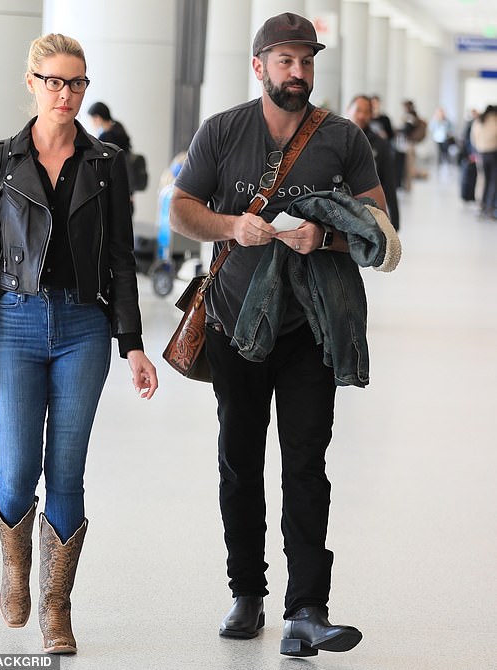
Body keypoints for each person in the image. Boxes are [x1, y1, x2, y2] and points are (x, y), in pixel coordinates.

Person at [170, 12, 398, 658]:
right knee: (239, 463)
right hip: (233, 324)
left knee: (306, 464)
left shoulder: (342, 138)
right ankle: (247, 593)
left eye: (306, 62)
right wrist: (229, 228)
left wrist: (324, 236)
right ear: (259, 65)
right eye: (285, 61)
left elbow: (380, 226)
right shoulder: (223, 132)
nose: (297, 73)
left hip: (309, 330)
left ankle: (307, 608)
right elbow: (183, 208)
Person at [0, 33, 158, 654]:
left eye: (76, 83)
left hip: (84, 329)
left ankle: (56, 607)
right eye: (54, 81)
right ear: (32, 82)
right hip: (14, 322)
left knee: (66, 473)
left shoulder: (106, 162)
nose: (66, 93)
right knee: (16, 470)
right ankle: (16, 570)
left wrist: (133, 343)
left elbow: (121, 257)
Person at [347, 94, 400, 230]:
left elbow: (389, 183)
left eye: (366, 112)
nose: (361, 116)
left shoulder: (380, 144)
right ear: (348, 109)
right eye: (358, 110)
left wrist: (394, 222)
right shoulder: (336, 138)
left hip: (368, 213)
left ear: (371, 115)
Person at [470, 105, 497, 219]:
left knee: (482, 180)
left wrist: (478, 149)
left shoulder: (479, 120)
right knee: (493, 181)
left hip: (480, 154)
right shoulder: (495, 120)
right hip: (493, 154)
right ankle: (490, 208)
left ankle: (480, 206)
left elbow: (473, 138)